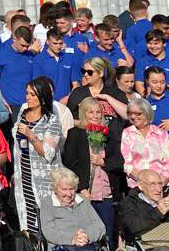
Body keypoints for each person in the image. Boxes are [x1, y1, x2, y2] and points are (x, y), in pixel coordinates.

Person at [60, 98, 121, 244]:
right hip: (86, 194)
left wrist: (103, 162)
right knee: (88, 236)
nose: (95, 115)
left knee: (107, 235)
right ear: (83, 114)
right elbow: (69, 163)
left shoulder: (109, 134)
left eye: (98, 112)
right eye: (91, 112)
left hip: (106, 193)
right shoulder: (75, 133)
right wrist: (81, 188)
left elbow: (119, 161)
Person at [12, 77, 64, 234]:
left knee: (46, 221)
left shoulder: (52, 121)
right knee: (27, 221)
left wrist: (30, 134)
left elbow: (48, 153)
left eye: (32, 95)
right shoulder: (22, 113)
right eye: (27, 93)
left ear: (42, 97)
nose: (28, 97)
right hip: (24, 175)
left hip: (44, 179)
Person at [118, 168, 169, 247]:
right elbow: (131, 228)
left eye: (160, 184)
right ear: (140, 186)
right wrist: (158, 211)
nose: (158, 189)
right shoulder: (130, 203)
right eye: (152, 184)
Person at [38, 167, 106, 251]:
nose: (69, 194)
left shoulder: (82, 200)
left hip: (88, 246)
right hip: (61, 247)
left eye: (72, 189)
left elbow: (99, 226)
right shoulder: (48, 203)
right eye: (64, 189)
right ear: (55, 188)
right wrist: (72, 239)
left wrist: (87, 236)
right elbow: (49, 232)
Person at [120, 97, 169, 189]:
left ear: (147, 113)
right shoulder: (127, 133)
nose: (133, 117)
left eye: (138, 113)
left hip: (161, 185)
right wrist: (145, 182)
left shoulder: (161, 133)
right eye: (130, 113)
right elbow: (127, 163)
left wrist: (158, 183)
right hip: (137, 185)